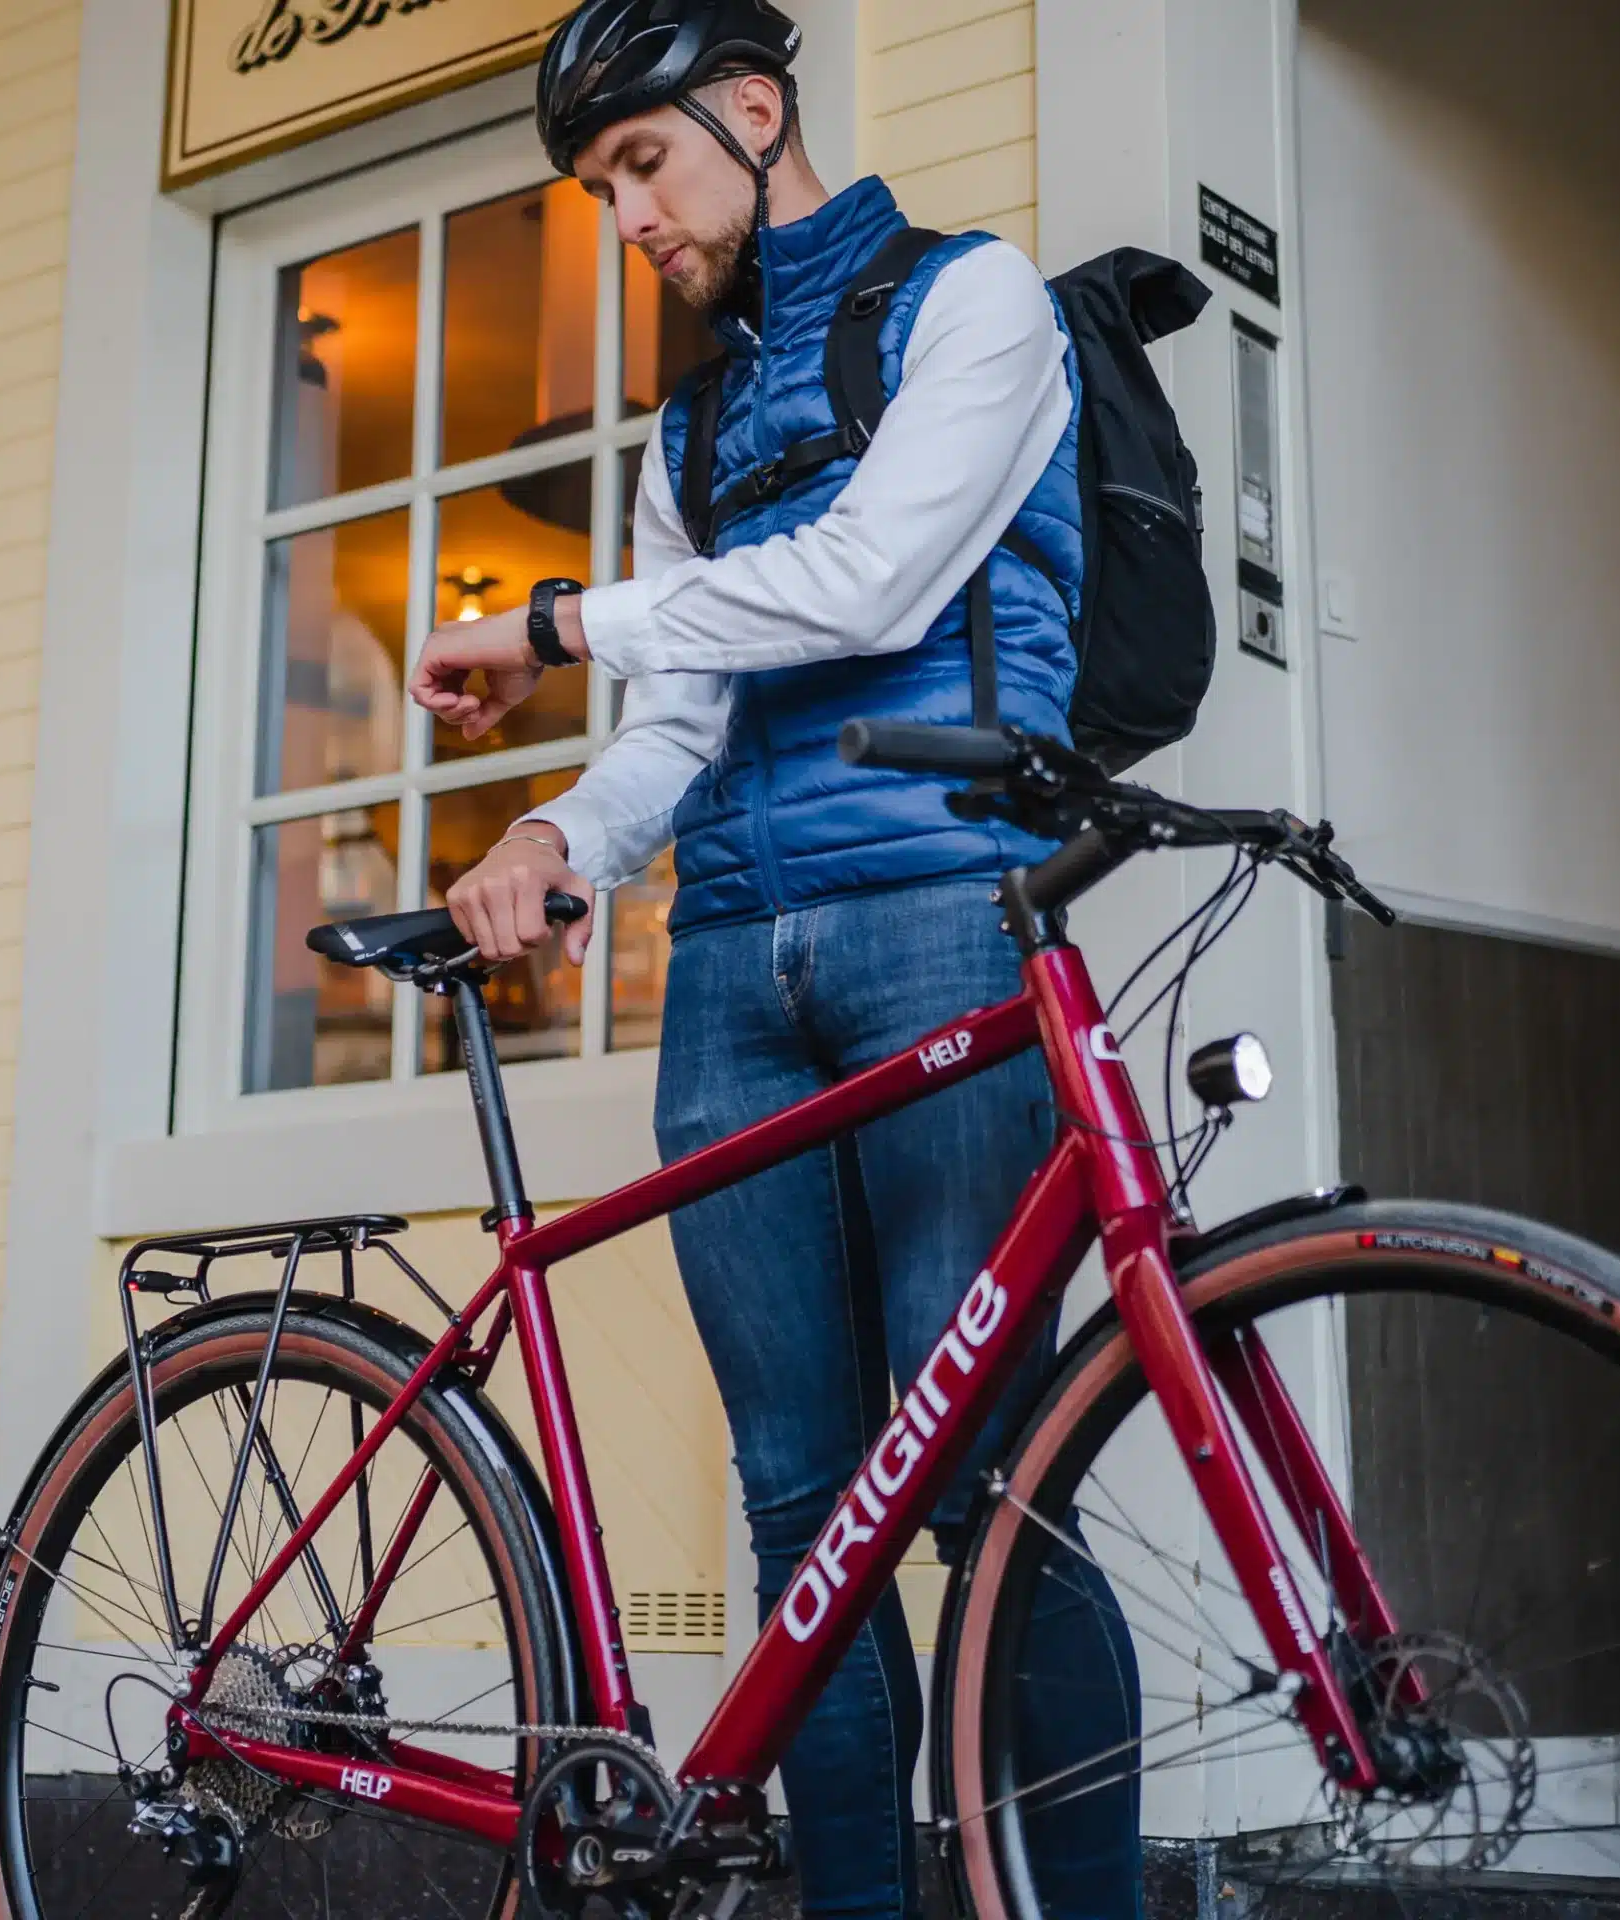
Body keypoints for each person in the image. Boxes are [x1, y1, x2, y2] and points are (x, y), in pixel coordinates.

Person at [410, 5, 1143, 1916]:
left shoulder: (979, 308)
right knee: (803, 1514)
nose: (625, 218)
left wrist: (563, 616)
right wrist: (565, 832)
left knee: (999, 1495)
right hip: (731, 972)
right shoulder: (691, 423)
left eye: (641, 166)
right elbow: (680, 715)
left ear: (752, 110)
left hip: (939, 929)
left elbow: (878, 577)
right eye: (595, 191)